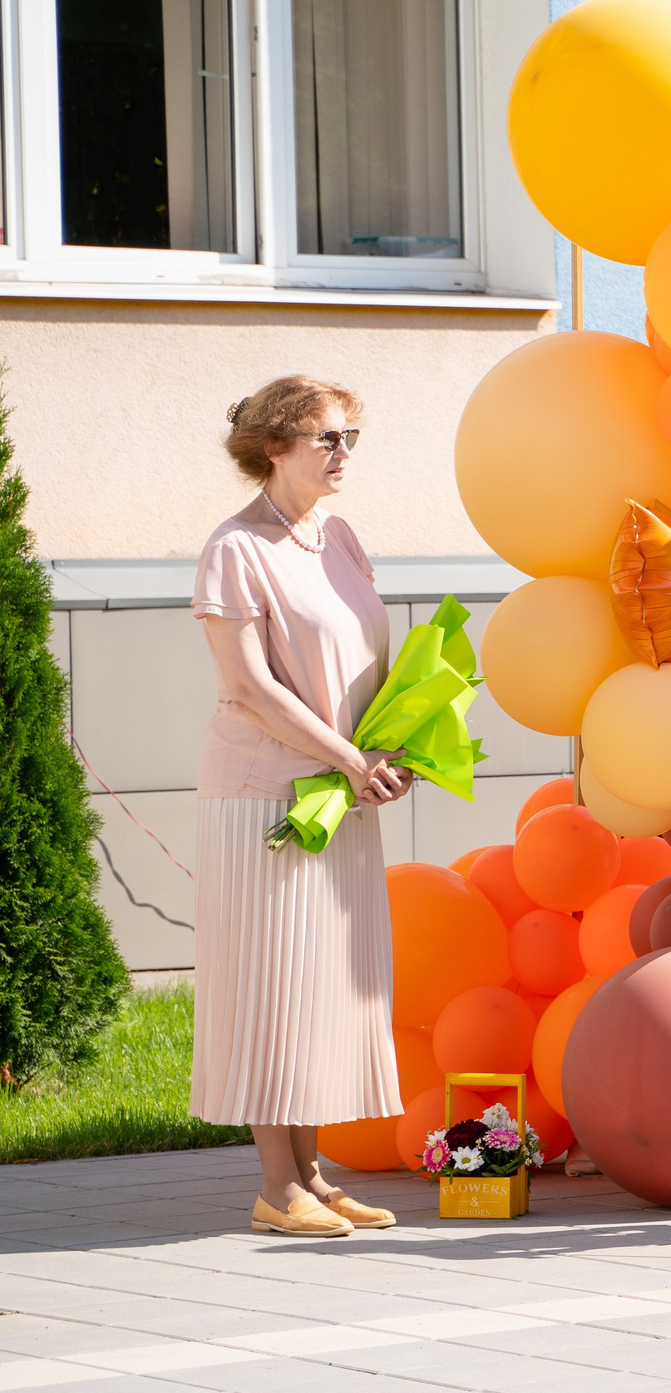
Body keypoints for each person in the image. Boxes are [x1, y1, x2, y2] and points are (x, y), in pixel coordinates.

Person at [192, 379, 409, 1238]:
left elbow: (369, 661)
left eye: (351, 435)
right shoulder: (235, 549)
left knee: (324, 988)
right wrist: (351, 758)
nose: (344, 451)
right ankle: (275, 1186)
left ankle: (316, 1177)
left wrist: (394, 748)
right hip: (265, 799)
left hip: (344, 791)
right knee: (270, 987)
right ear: (275, 446)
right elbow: (247, 686)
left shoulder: (342, 537)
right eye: (327, 438)